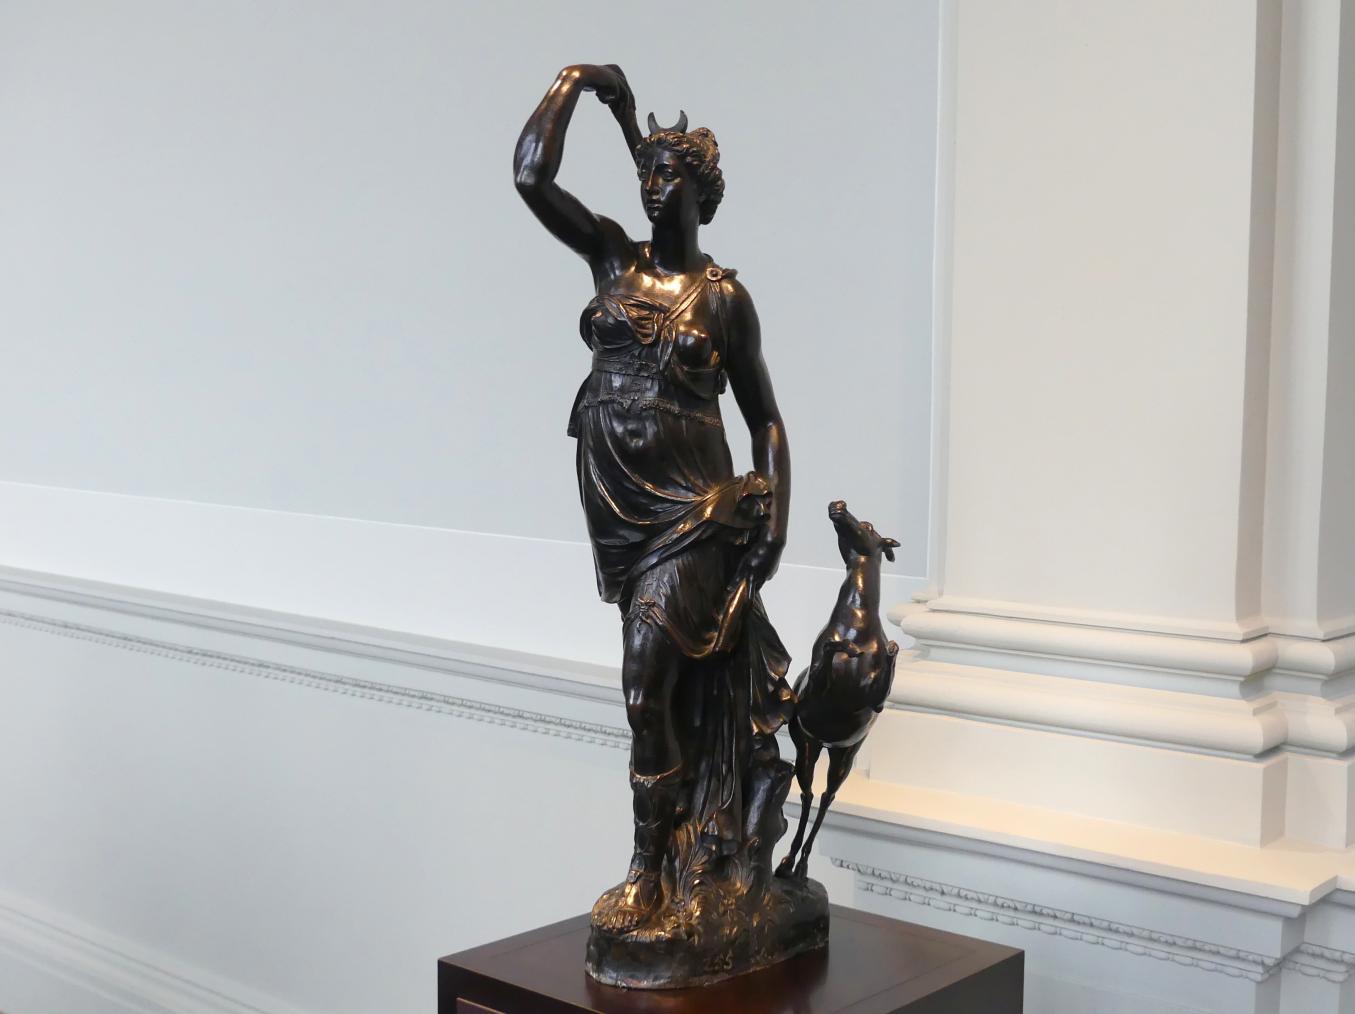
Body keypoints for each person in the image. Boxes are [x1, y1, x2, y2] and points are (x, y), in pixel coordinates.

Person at [514, 64, 794, 934]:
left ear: (703, 193)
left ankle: (647, 868)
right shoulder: (611, 256)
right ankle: (681, 850)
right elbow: (530, 176)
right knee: (660, 690)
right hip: (617, 503)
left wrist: (775, 527)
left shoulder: (724, 300)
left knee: (645, 687)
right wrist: (573, 83)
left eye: (671, 175)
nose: (654, 186)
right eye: (647, 172)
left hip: (695, 508)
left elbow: (765, 420)